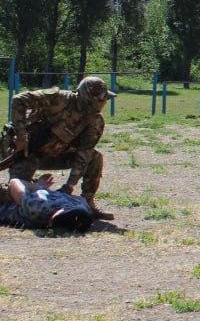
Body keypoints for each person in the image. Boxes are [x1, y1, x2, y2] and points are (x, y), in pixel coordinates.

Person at [3, 76, 116, 220]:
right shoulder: (60, 99)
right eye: (100, 100)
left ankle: (89, 203)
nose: (103, 104)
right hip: (28, 152)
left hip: (56, 154)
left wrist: (69, 186)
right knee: (17, 194)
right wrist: (21, 135)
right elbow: (19, 99)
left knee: (95, 157)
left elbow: (84, 153)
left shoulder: (95, 121)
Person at [0, 173, 95, 232]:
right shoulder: (82, 211)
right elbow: (81, 201)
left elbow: (14, 183)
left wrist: (39, 186)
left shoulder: (39, 207)